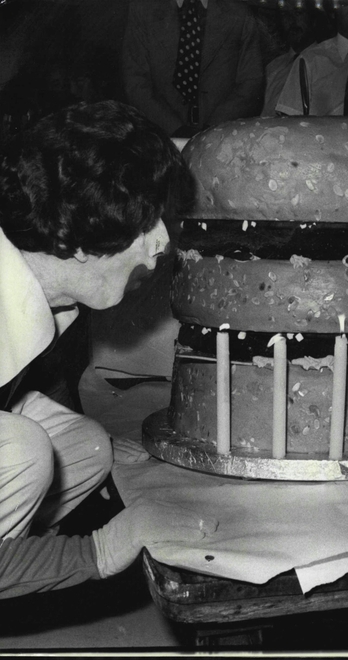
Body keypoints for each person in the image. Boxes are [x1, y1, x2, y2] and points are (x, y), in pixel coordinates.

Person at [0, 100, 216, 599]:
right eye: (145, 223)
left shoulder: (39, 287)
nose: (161, 243)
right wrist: (104, 546)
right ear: (74, 239)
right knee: (24, 451)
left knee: (84, 446)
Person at [122, 0, 265, 138]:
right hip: (161, 138)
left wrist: (213, 130)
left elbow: (251, 83)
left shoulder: (240, 13)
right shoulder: (142, 10)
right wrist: (175, 129)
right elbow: (136, 83)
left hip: (219, 139)